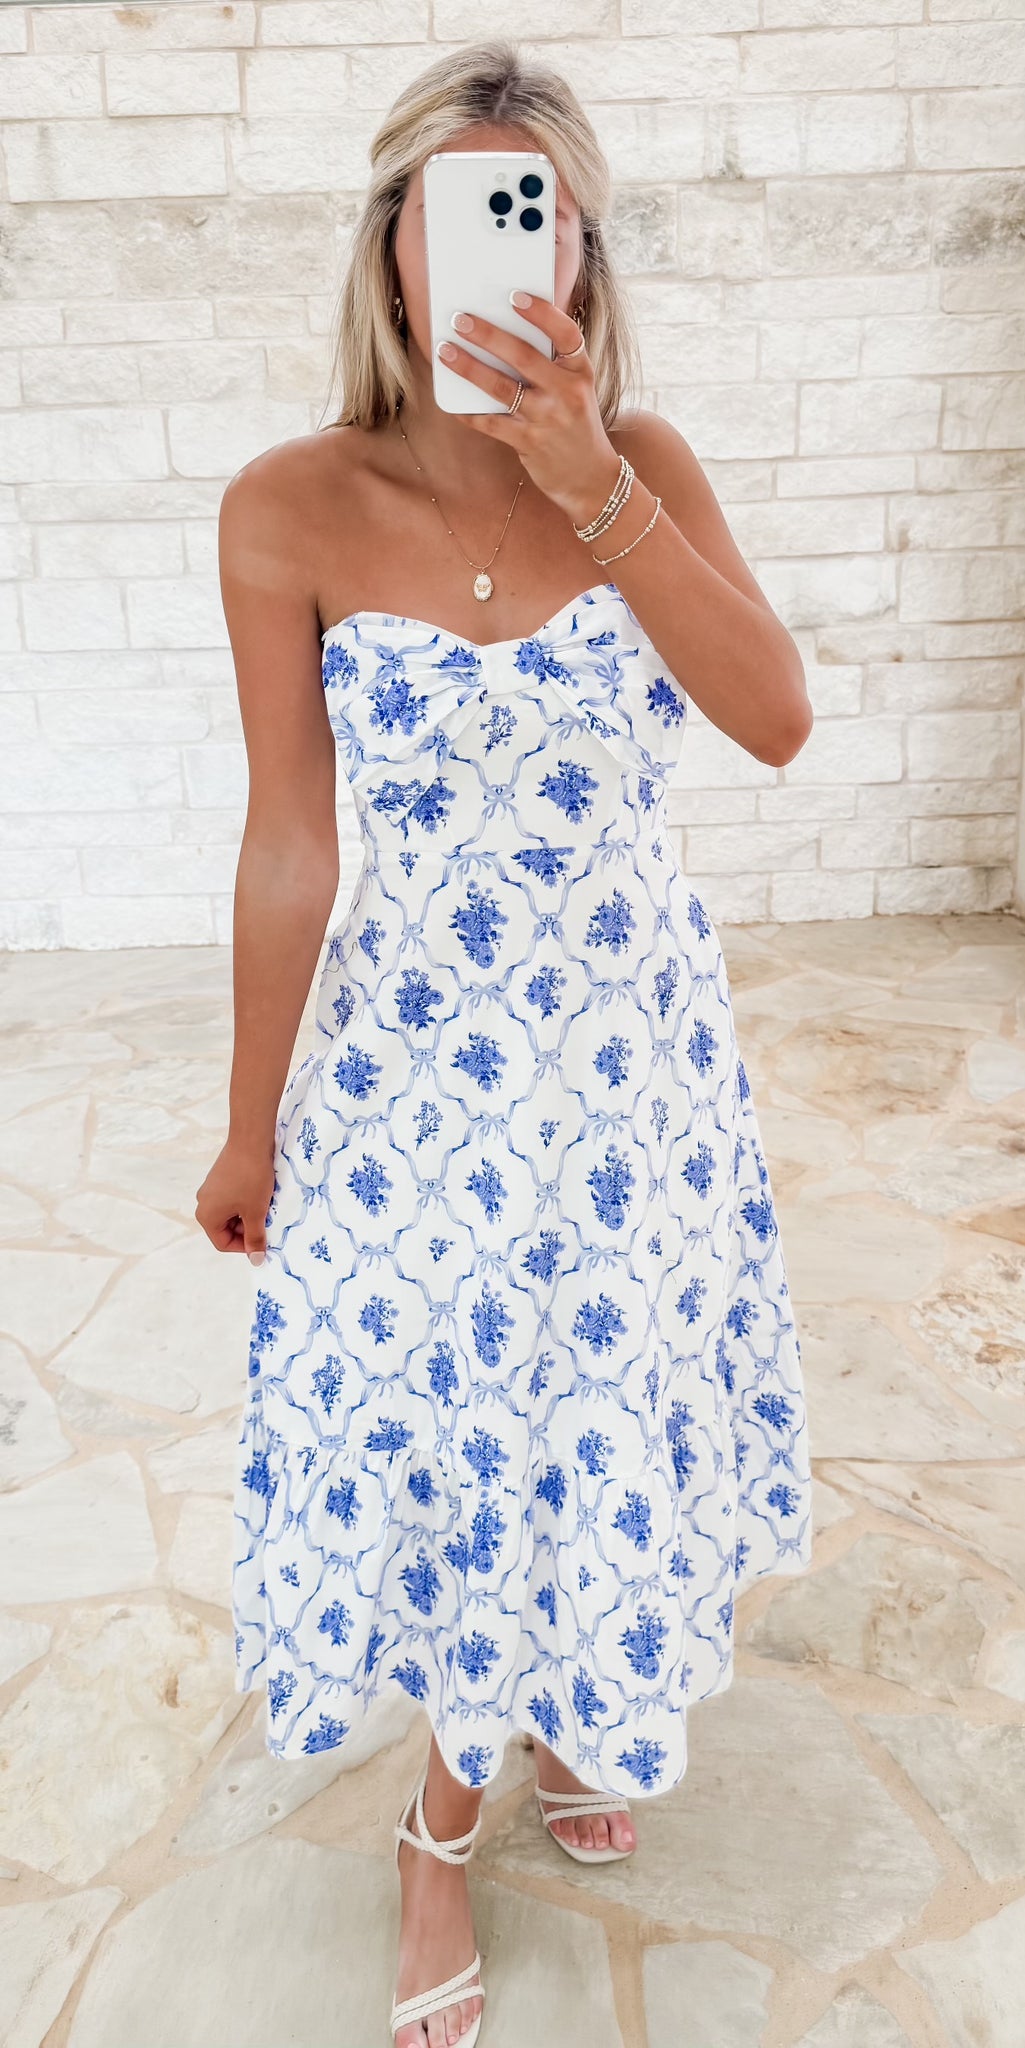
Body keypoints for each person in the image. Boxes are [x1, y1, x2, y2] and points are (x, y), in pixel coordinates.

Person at [196, 37, 814, 2048]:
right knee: (462, 1435)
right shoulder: (289, 505)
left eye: (534, 216)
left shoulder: (649, 467)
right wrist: (249, 1122)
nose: (495, 251)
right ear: (390, 240)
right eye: (456, 209)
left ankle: (558, 1721)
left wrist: (593, 483)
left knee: (589, 1424)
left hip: (632, 1075)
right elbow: (292, 839)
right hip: (413, 1072)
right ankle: (431, 1839)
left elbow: (774, 719)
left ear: (584, 259)